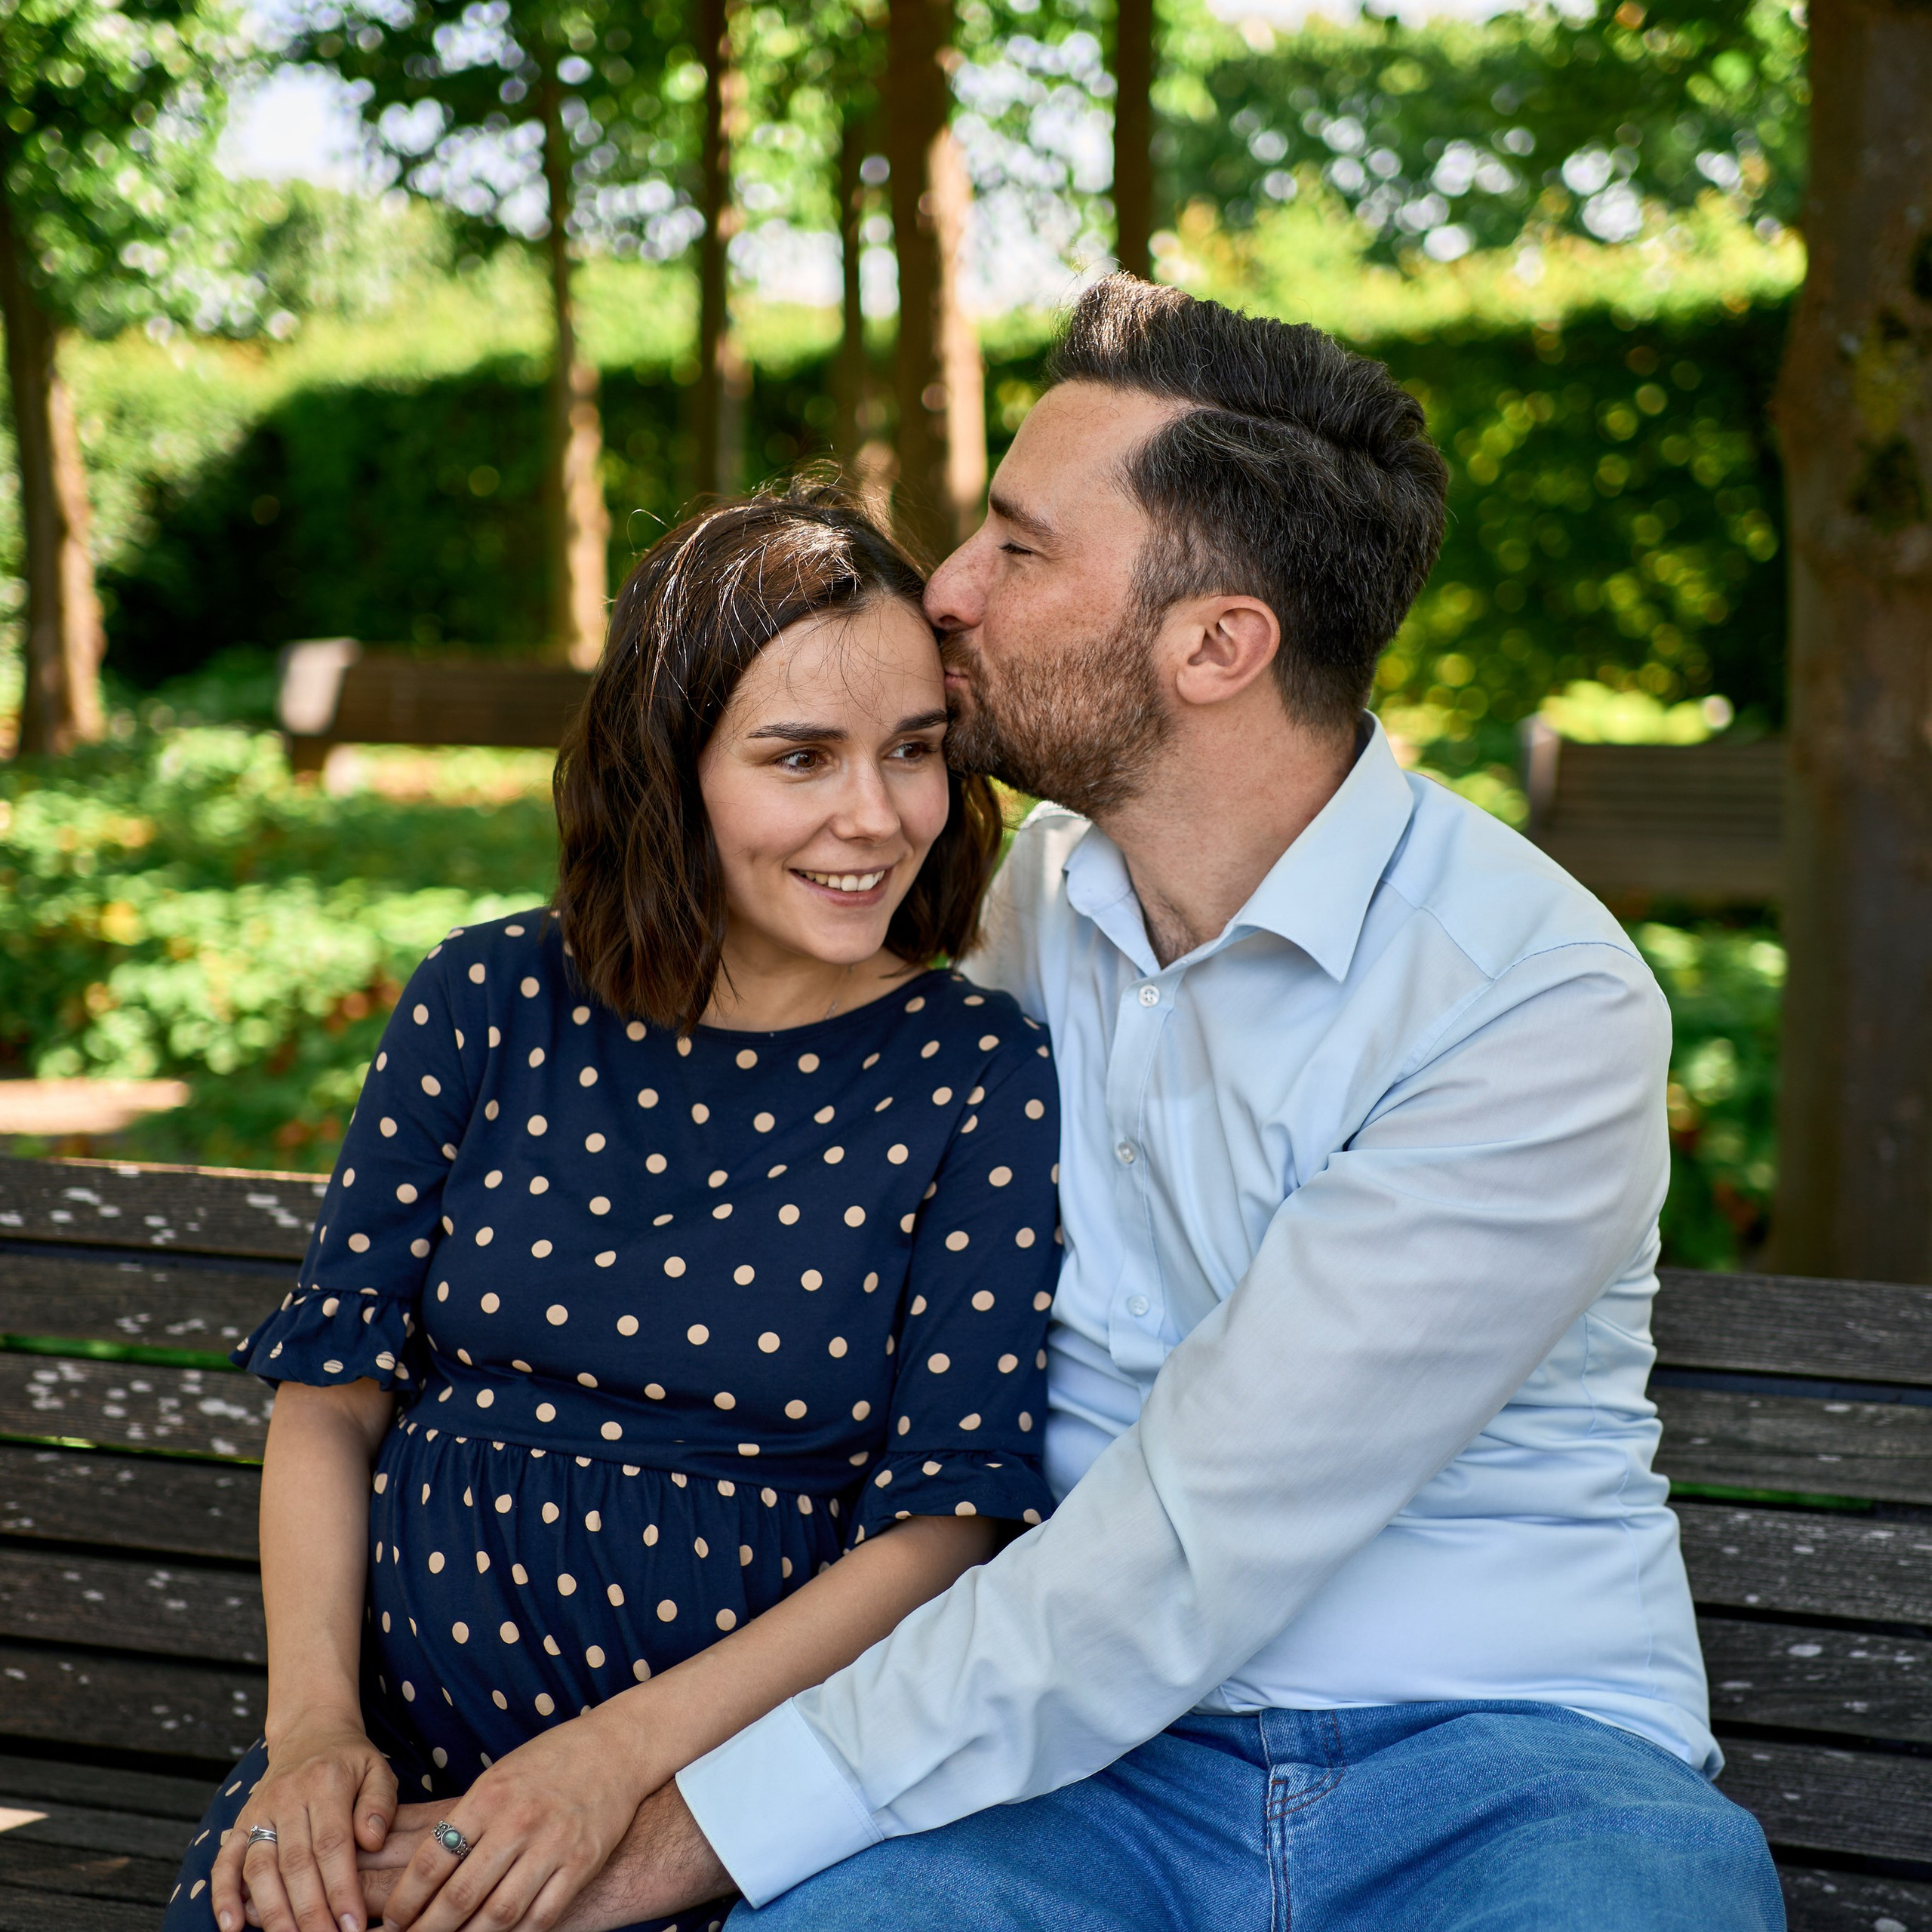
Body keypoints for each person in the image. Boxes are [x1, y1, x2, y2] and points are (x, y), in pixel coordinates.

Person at [361, 274, 1783, 1930]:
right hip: (1062, 1781)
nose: (946, 592)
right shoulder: (1020, 909)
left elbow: (1184, 1548)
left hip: (1505, 1761)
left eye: (1019, 549)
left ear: (1214, 643)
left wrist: (665, 1830)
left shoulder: (1523, 1001)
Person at [161, 484, 1062, 1932]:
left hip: (719, 1791)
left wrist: (614, 1765)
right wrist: (316, 1733)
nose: (874, 816)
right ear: (671, 768)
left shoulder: (971, 1073)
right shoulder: (490, 1000)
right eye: (799, 757)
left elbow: (942, 1523)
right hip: (387, 1755)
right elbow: (331, 1395)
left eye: (914, 751)